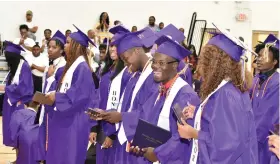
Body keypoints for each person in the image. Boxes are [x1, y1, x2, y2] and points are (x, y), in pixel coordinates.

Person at [177, 25, 258, 163]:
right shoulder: (229, 87)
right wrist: (197, 112)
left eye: (206, 60)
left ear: (215, 64)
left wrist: (194, 134)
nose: (202, 65)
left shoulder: (227, 95)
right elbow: (219, 123)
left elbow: (227, 146)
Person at [125, 35, 200, 163]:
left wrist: (158, 154)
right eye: (154, 61)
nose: (154, 66)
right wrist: (138, 140)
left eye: (161, 63)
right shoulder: (160, 90)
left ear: (175, 65)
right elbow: (145, 117)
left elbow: (182, 138)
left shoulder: (185, 95)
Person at [44, 25, 97, 164]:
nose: (65, 46)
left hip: (74, 122)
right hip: (64, 118)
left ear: (77, 46)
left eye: (68, 43)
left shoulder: (82, 68)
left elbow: (79, 96)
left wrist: (57, 97)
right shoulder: (71, 66)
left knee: (68, 158)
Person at [35, 30, 66, 163]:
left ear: (62, 49)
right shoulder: (51, 66)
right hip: (45, 109)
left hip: (54, 112)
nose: (50, 50)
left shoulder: (64, 66)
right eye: (49, 47)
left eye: (54, 47)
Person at [251, 34, 279, 164]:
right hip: (251, 137)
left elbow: (268, 115)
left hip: (265, 140)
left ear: (275, 62)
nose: (260, 59)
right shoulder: (256, 79)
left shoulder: (277, 83)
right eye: (258, 56)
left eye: (265, 56)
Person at [1, 41, 34, 148]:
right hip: (10, 101)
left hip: (19, 103)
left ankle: (20, 159)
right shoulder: (14, 67)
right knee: (11, 129)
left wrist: (6, 88)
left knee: (19, 130)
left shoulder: (24, 66)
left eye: (9, 57)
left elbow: (24, 87)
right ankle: (17, 158)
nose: (8, 60)